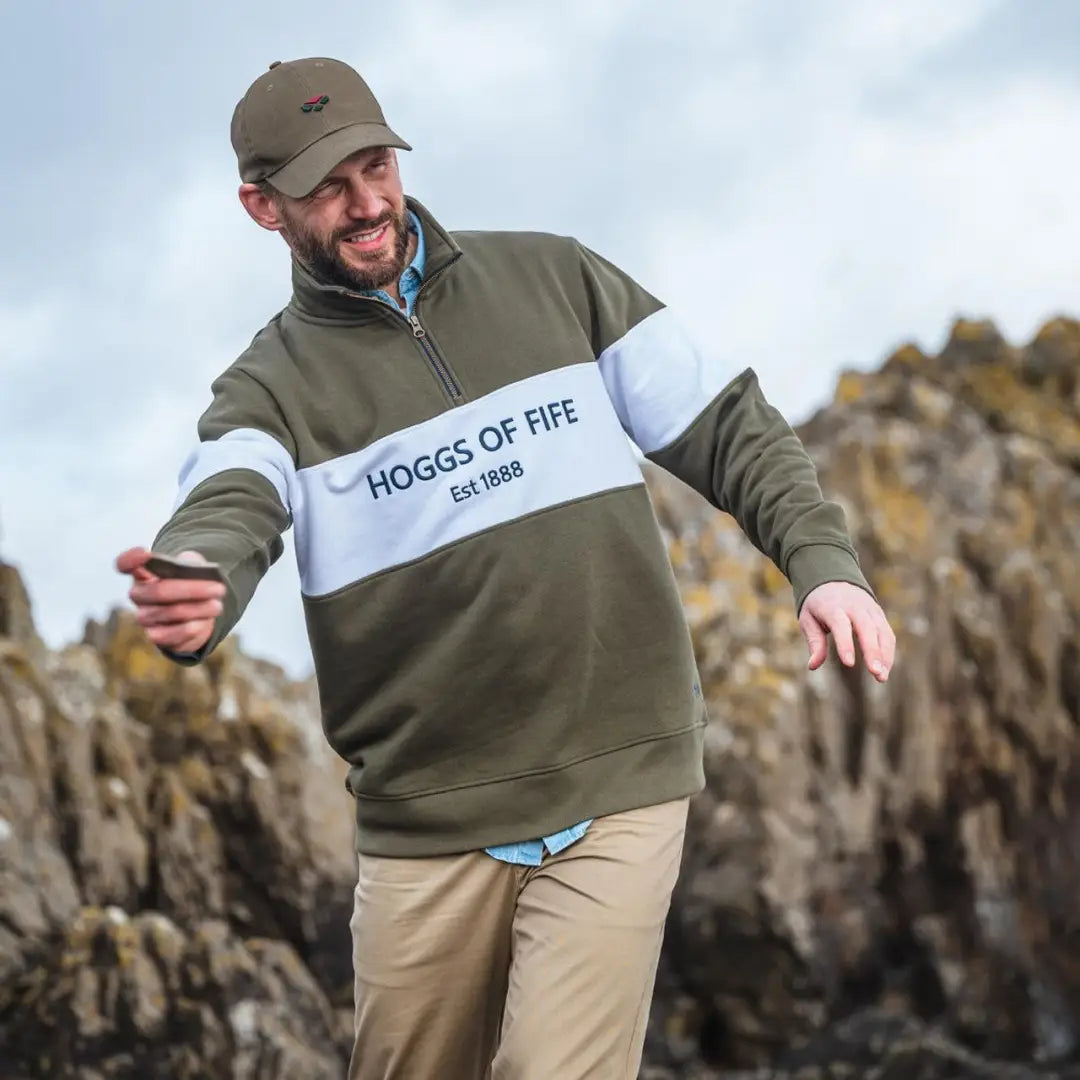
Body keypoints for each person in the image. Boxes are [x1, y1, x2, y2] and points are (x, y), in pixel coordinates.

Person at [115, 56, 896, 1080]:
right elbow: (231, 499)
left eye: (376, 166)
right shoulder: (268, 390)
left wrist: (822, 563)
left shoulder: (556, 277)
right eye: (328, 186)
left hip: (620, 770)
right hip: (427, 823)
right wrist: (199, 584)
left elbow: (730, 427)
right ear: (264, 208)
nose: (367, 203)